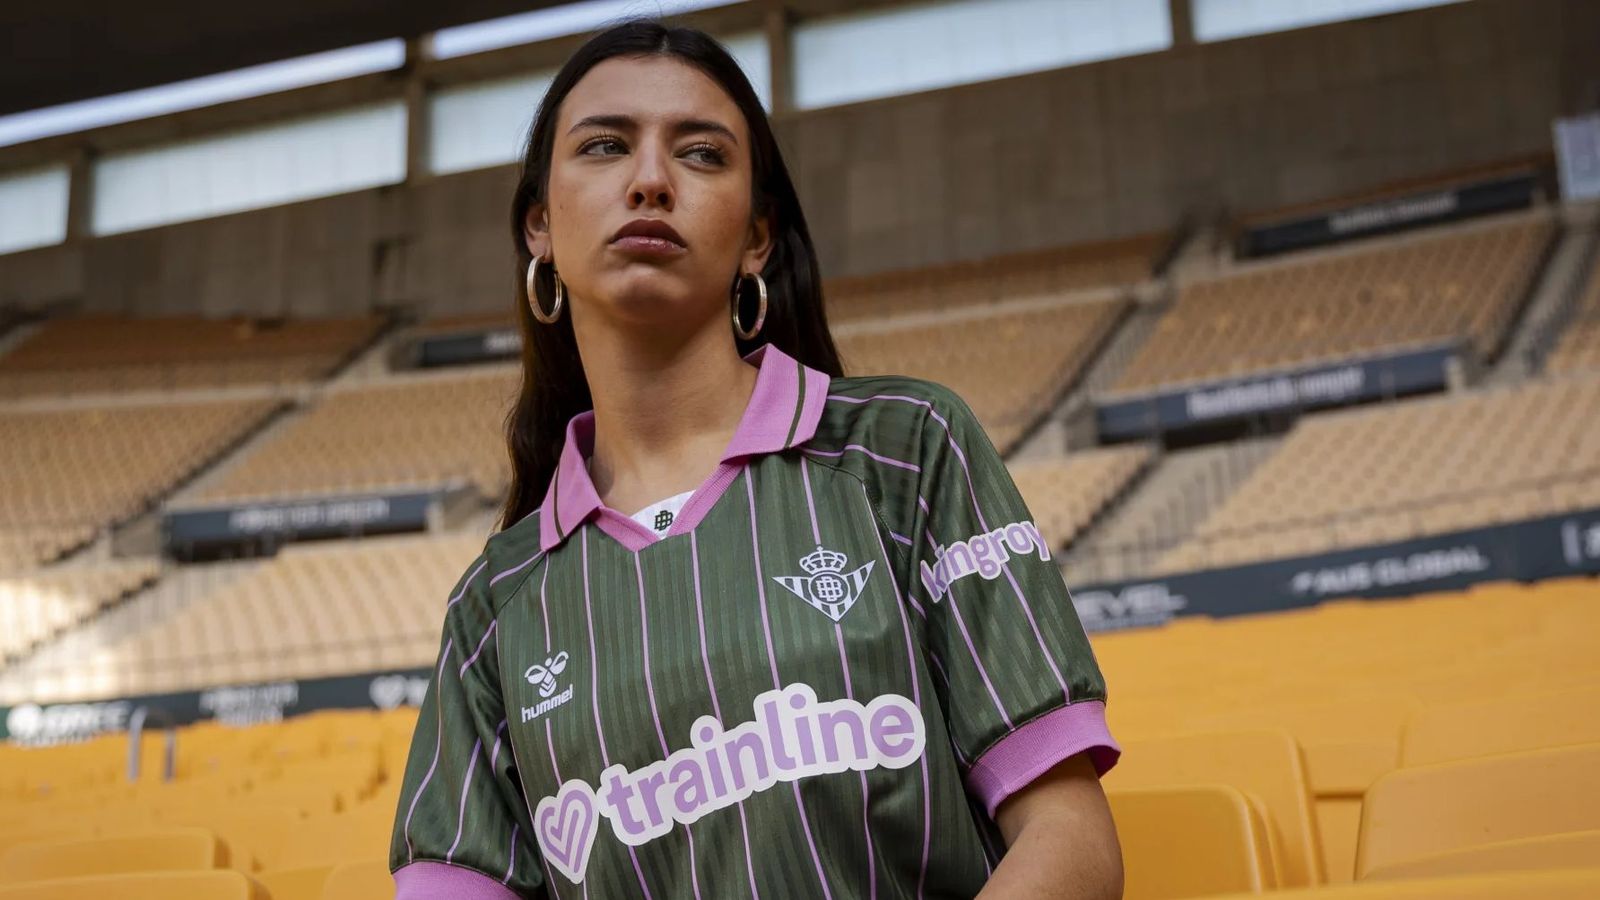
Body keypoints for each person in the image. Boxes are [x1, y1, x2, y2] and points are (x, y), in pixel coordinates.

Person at [390, 18, 1122, 899]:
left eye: (700, 155)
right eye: (605, 146)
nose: (651, 181)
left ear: (757, 238)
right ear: (539, 226)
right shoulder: (494, 610)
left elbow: (1069, 838)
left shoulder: (908, 450)